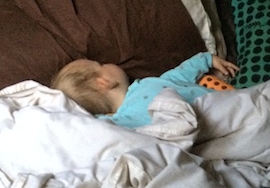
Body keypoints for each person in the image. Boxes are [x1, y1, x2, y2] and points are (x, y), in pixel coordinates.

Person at [51, 51, 239, 129]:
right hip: (208, 127)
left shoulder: (149, 84)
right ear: (104, 82)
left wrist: (205, 59)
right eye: (100, 64)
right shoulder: (117, 123)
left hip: (226, 110)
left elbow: (178, 74)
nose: (107, 63)